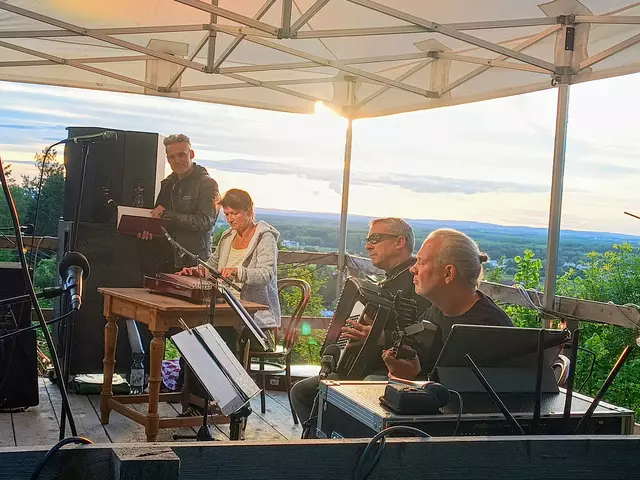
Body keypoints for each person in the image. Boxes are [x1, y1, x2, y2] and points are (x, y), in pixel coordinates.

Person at [291, 217, 431, 433]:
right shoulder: (390, 281)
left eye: (375, 238)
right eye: (368, 240)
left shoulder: (418, 282)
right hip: (367, 365)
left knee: (340, 390)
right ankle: (320, 442)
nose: (368, 245)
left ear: (399, 242)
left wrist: (379, 336)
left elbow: (423, 336)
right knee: (302, 391)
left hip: (391, 371)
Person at [381, 228, 513, 381]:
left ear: (448, 273)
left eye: (421, 262)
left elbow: (459, 392)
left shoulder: (487, 331)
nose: (413, 269)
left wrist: (410, 377)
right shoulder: (438, 310)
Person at [178, 188, 281, 332]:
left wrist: (237, 272)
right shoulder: (227, 236)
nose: (230, 219)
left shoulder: (265, 238)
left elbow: (266, 275)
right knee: (190, 328)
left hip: (253, 315)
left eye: (235, 213)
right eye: (227, 214)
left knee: (210, 334)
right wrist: (198, 271)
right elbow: (212, 266)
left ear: (249, 210)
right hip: (223, 306)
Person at [138, 133, 219, 270]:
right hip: (163, 258)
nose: (177, 160)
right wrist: (149, 230)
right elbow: (158, 217)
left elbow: (205, 221)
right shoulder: (167, 183)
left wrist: (168, 215)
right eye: (172, 157)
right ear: (168, 159)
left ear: (191, 154)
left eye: (181, 154)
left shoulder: (207, 184)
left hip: (192, 262)